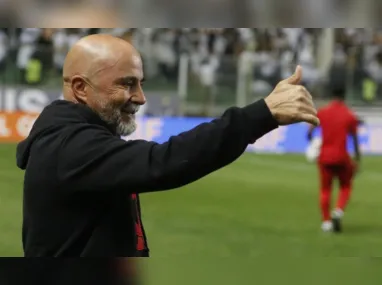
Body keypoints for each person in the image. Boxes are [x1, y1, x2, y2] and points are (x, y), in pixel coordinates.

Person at [16, 34, 319, 257]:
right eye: (127, 83)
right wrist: (261, 115)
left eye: (141, 83)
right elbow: (162, 162)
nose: (141, 97)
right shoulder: (68, 146)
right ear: (81, 88)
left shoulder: (75, 138)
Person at [307, 88, 361, 233]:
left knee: (325, 189)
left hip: (325, 157)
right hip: (342, 157)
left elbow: (309, 131)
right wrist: (357, 159)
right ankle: (338, 211)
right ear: (344, 96)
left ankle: (326, 222)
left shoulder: (323, 112)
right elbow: (355, 140)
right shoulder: (349, 115)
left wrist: (314, 144)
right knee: (346, 186)